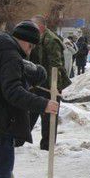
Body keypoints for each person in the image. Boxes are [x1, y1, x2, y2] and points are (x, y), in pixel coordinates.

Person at [0, 21, 59, 178]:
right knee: (1, 173)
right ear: (25, 42)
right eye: (30, 48)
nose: (29, 52)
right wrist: (43, 104)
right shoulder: (11, 55)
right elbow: (12, 91)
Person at [29, 15, 71, 151]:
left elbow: (56, 66)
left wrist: (55, 88)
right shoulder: (36, 39)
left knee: (48, 117)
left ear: (40, 27)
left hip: (50, 85)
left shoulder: (51, 40)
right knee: (29, 111)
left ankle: (47, 147)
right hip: (37, 83)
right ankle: (18, 141)